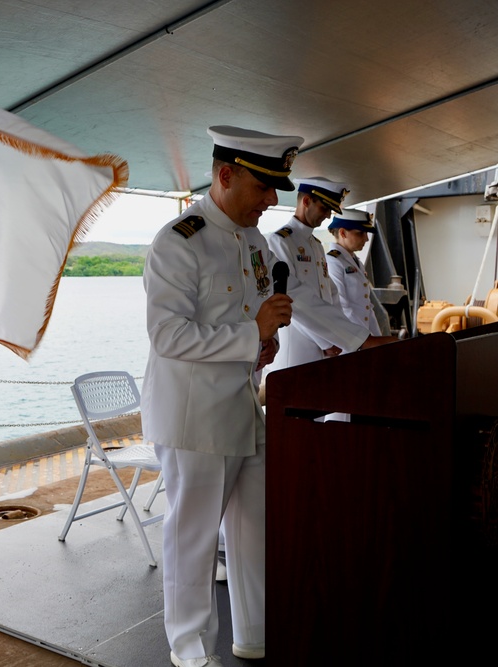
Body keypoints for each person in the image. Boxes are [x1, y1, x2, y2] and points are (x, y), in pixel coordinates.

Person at [141, 125, 395, 667]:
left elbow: (257, 316)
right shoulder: (178, 241)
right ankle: (190, 656)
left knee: (256, 531)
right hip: (193, 420)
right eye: (263, 186)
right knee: (193, 543)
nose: (272, 199)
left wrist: (264, 342)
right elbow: (167, 336)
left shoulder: (255, 242)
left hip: (241, 405)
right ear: (226, 175)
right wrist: (250, 334)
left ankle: (254, 638)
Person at [264, 177, 351, 373]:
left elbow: (331, 295)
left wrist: (339, 335)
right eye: (324, 208)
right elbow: (289, 299)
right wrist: (326, 340)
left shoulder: (316, 245)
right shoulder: (281, 241)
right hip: (297, 350)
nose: (328, 216)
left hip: (327, 348)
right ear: (306, 202)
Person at [327, 209, 381, 335]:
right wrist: (364, 338)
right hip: (350, 338)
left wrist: (378, 338)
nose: (366, 239)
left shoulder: (355, 261)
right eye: (360, 233)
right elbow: (343, 306)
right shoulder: (332, 261)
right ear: (343, 233)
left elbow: (367, 307)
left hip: (362, 338)